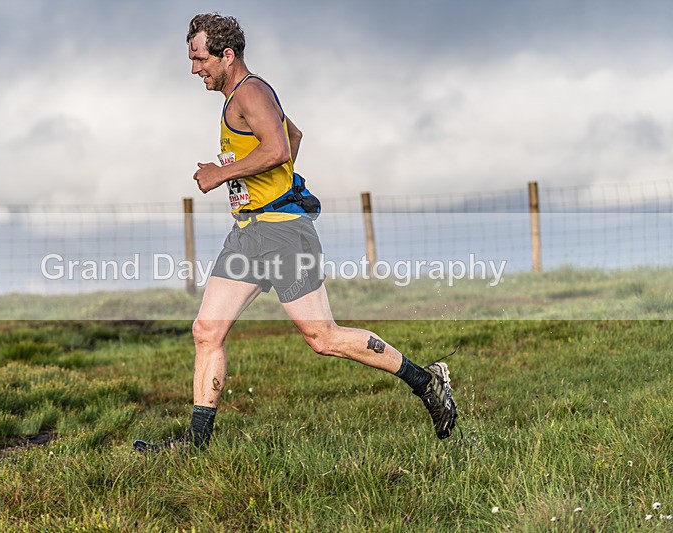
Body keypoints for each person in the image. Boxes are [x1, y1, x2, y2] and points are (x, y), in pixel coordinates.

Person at [134, 13, 457, 452]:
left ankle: (427, 382)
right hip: (249, 232)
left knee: (322, 337)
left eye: (199, 58)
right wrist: (271, 183)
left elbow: (280, 146)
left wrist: (219, 174)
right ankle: (196, 444)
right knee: (206, 330)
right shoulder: (238, 98)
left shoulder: (250, 91)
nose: (194, 69)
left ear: (227, 55)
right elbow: (294, 135)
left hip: (283, 233)